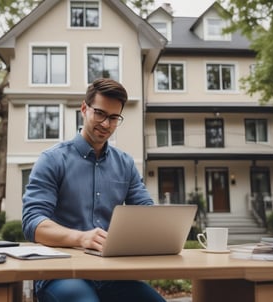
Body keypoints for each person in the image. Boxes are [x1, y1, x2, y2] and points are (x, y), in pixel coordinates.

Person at [22, 78, 166, 302]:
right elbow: (33, 223)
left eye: (113, 117)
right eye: (100, 113)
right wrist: (80, 238)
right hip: (61, 273)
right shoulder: (52, 159)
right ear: (84, 109)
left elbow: (147, 213)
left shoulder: (125, 164)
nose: (106, 124)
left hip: (111, 275)